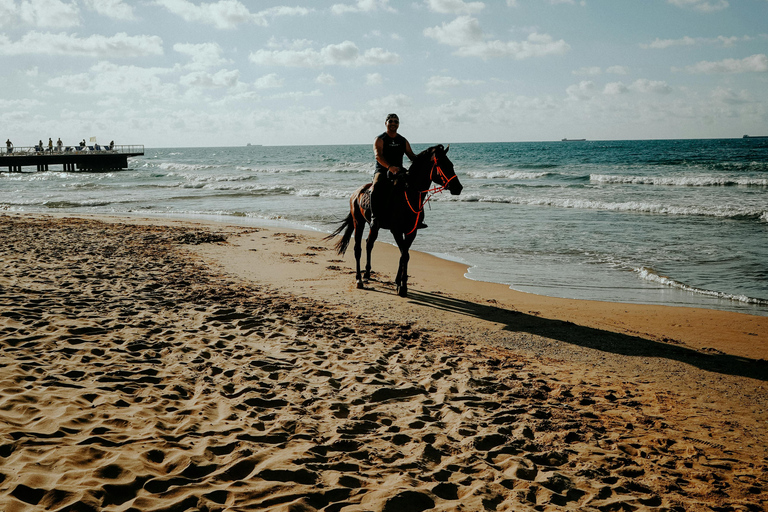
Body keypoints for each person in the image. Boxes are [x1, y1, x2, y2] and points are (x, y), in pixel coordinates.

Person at [371, 113, 421, 230]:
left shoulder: (402, 140)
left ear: (398, 124)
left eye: (396, 121)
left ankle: (417, 217)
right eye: (391, 121)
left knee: (415, 187)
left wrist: (426, 160)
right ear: (386, 123)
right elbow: (378, 156)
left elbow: (412, 156)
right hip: (383, 171)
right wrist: (389, 167)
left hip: (399, 171)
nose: (393, 123)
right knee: (376, 187)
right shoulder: (380, 139)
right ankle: (374, 218)